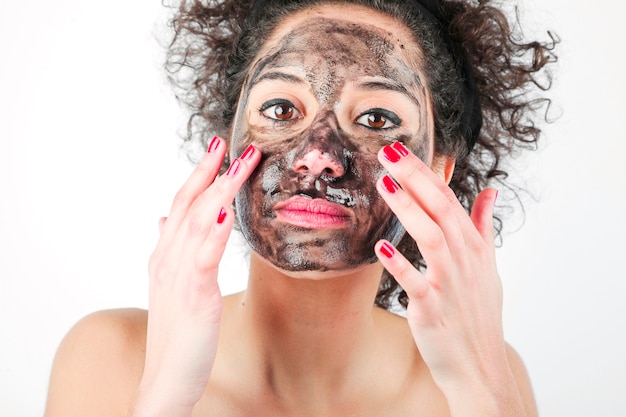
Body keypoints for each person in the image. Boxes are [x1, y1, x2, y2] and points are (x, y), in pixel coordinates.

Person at [43, 0, 557, 416]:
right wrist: (165, 399)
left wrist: (489, 397)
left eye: (376, 118)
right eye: (281, 108)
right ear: (227, 144)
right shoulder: (109, 358)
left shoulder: (483, 376)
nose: (318, 156)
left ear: (437, 172)